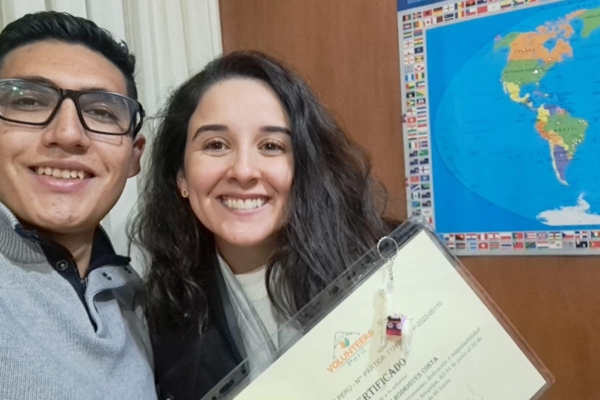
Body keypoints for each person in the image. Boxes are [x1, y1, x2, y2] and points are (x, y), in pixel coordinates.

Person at [130, 51, 398, 400]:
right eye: (215, 144)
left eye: (271, 146)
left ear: (304, 168)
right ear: (181, 176)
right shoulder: (161, 315)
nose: (243, 171)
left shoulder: (392, 264)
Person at [0, 11, 156, 400]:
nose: (68, 134)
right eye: (29, 101)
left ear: (134, 156)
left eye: (102, 112)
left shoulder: (135, 298)